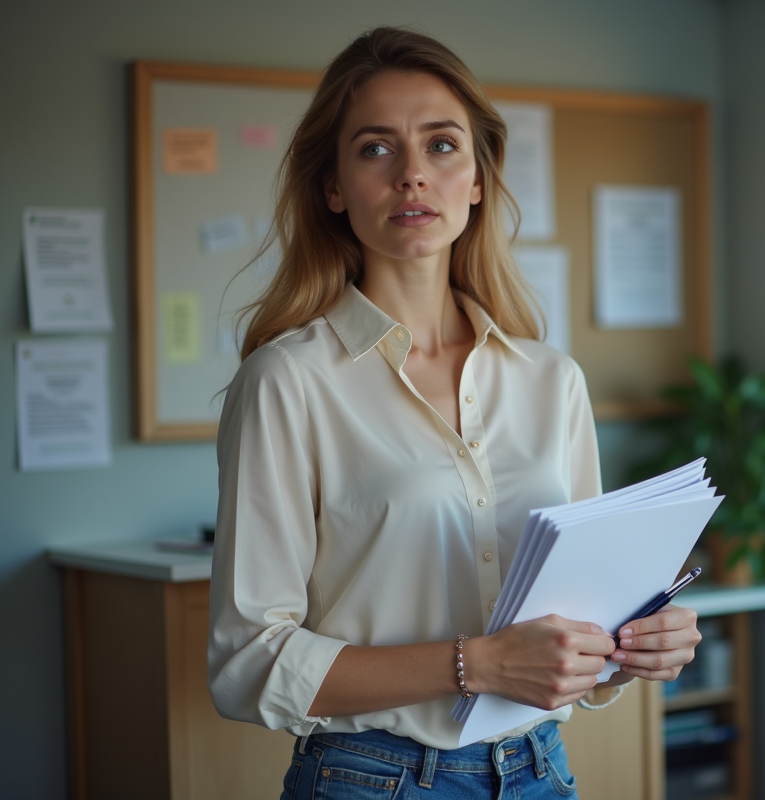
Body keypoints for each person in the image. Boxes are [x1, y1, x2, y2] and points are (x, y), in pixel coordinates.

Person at [207, 26, 702, 800]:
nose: (412, 175)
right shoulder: (286, 382)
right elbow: (247, 665)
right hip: (370, 780)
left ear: (477, 178)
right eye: (375, 149)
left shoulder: (552, 380)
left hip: (539, 771)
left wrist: (634, 646)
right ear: (334, 187)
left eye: (441, 146)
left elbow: (575, 622)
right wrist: (477, 662)